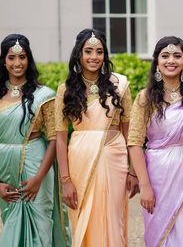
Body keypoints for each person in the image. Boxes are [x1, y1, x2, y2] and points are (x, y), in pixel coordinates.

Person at [0, 34, 70, 246]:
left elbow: (53, 139)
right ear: (3, 61)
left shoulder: (44, 96)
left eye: (22, 57)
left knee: (39, 225)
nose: (17, 63)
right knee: (12, 227)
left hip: (35, 167)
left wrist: (39, 178)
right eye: (11, 57)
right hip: (5, 171)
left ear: (29, 60)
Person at [55, 29, 137, 246]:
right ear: (78, 54)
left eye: (99, 52)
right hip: (80, 160)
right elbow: (61, 138)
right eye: (88, 51)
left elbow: (129, 132)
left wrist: (134, 169)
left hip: (115, 159)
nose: (94, 57)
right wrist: (65, 181)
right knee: (83, 217)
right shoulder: (66, 90)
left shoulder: (120, 85)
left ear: (105, 55)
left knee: (113, 215)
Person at [128, 36, 183, 246]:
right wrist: (145, 185)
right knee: (158, 233)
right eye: (165, 56)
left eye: (177, 55)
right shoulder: (145, 98)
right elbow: (135, 142)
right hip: (156, 172)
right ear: (157, 61)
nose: (171, 61)